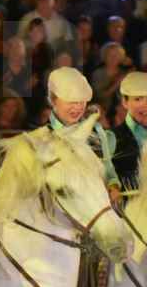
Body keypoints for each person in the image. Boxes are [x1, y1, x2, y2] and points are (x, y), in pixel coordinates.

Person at [43, 66, 120, 202]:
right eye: (71, 102)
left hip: (97, 210)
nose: (78, 108)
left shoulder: (96, 131)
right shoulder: (43, 137)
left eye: (81, 101)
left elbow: (108, 168)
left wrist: (113, 185)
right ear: (53, 100)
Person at [110, 71, 147, 197]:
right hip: (128, 211)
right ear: (125, 102)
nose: (144, 105)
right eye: (138, 99)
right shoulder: (112, 137)